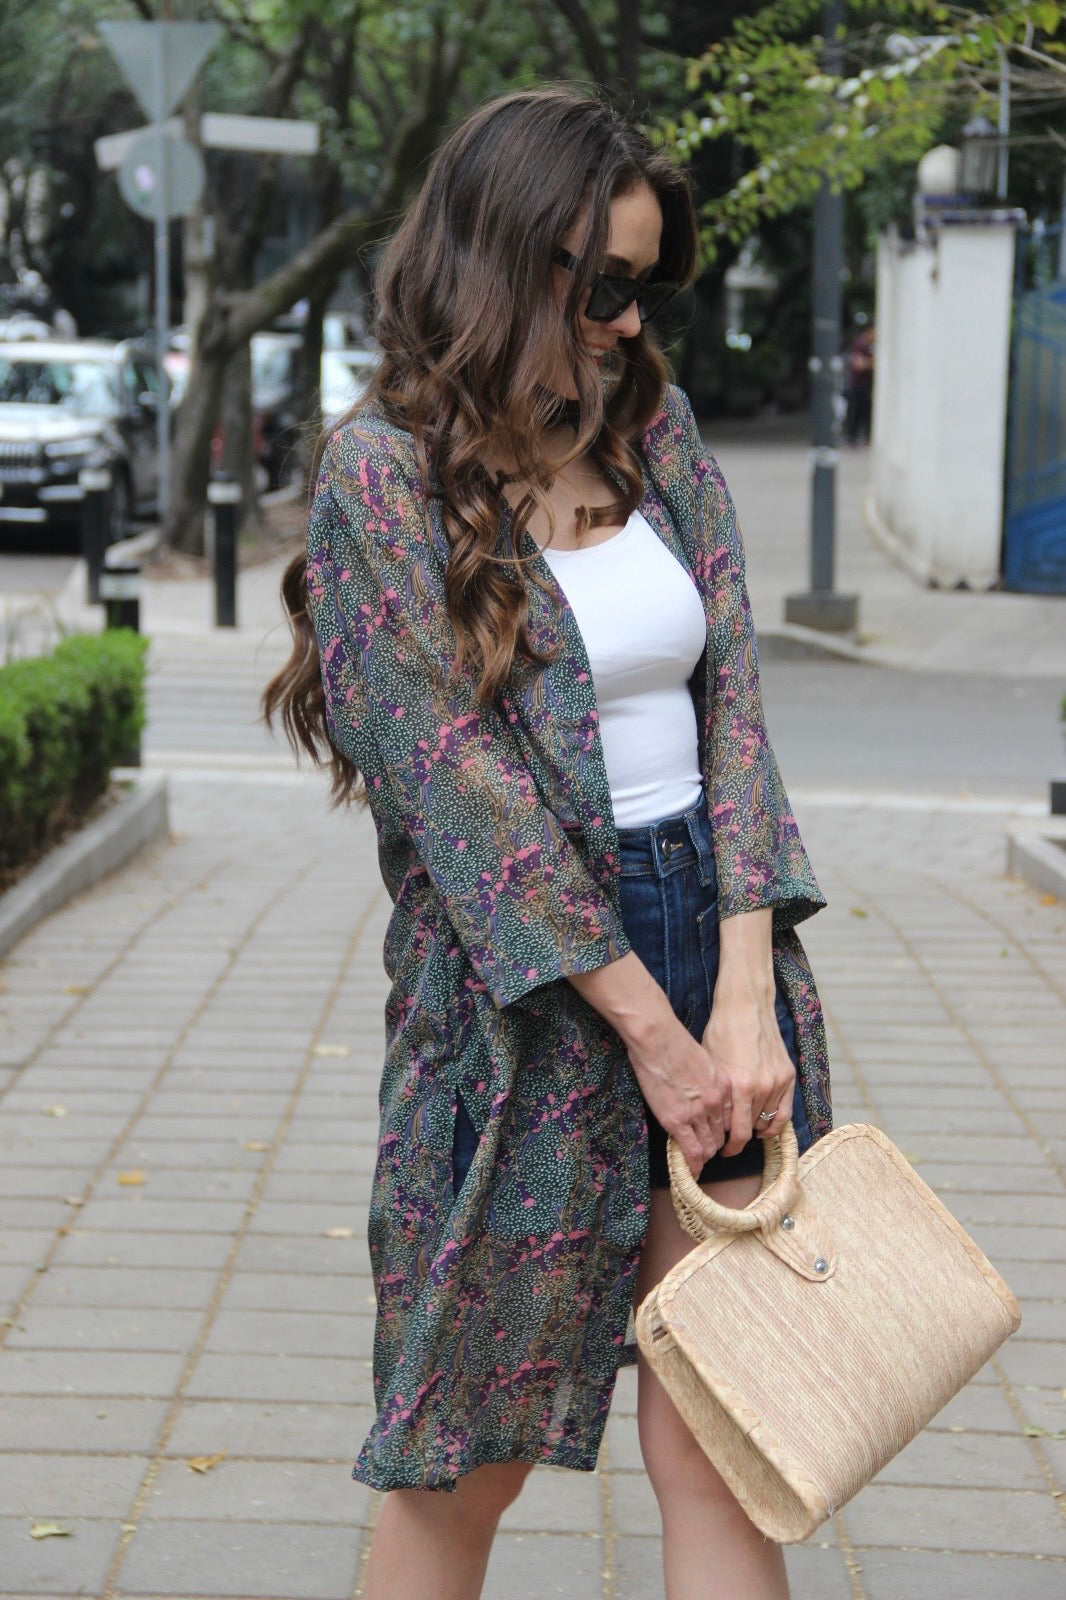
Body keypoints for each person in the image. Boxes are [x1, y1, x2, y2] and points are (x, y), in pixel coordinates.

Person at [264, 87, 830, 1600]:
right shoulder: (379, 476)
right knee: (464, 1458)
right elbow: (464, 797)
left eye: (644, 288)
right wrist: (651, 1033)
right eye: (604, 288)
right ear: (502, 264)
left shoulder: (652, 429)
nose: (629, 324)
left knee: (725, 1433)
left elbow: (734, 705)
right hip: (521, 1005)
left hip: (708, 941)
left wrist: (743, 991)